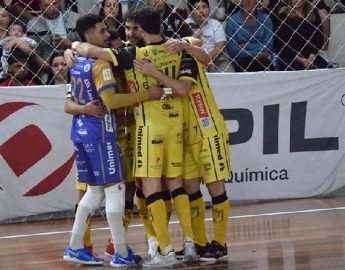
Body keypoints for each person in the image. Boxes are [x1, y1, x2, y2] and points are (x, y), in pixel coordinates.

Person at [69, 6, 201, 267]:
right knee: (150, 186)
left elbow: (93, 55)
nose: (121, 34)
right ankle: (179, 243)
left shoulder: (128, 55)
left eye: (130, 29)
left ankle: (155, 248)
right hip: (144, 129)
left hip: (134, 130)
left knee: (135, 187)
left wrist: (75, 44)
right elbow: (199, 52)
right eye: (106, 30)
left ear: (140, 29)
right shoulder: (174, 49)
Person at [62, 14, 162, 267]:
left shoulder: (77, 61)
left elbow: (72, 98)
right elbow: (112, 102)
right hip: (101, 134)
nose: (108, 34)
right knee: (115, 189)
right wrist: (147, 95)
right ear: (89, 36)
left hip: (81, 131)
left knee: (94, 191)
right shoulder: (100, 64)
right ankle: (120, 252)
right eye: (102, 30)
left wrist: (72, 47)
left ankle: (75, 247)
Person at [134, 38, 231, 262]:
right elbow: (173, 90)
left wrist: (185, 46)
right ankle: (199, 243)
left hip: (208, 128)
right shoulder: (155, 57)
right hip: (183, 132)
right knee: (189, 187)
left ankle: (220, 243)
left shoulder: (185, 53)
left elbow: (204, 58)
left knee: (216, 186)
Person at [27, 0, 79, 83]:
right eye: (46, 5)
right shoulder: (33, 24)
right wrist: (52, 68)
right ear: (40, 6)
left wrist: (68, 44)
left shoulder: (74, 18)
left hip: (75, 63)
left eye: (54, 4)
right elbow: (34, 54)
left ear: (60, 2)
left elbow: (83, 44)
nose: (51, 8)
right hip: (47, 68)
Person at [274, 0, 330, 70]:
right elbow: (281, 43)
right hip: (290, 57)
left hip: (310, 56)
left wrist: (312, 57)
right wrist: (300, 59)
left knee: (326, 70)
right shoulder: (283, 17)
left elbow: (318, 38)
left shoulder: (313, 14)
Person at [225, 0, 274, 72]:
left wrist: (245, 46)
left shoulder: (266, 19)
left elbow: (268, 46)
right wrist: (256, 53)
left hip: (263, 62)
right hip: (241, 62)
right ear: (241, 2)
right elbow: (233, 51)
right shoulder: (232, 20)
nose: (249, 1)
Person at [186, 0, 233, 72]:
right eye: (196, 8)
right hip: (194, 60)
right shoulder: (186, 24)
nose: (201, 11)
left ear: (209, 9)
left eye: (204, 7)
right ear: (191, 11)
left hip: (217, 60)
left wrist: (206, 60)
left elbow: (220, 47)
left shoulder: (216, 24)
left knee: (229, 71)